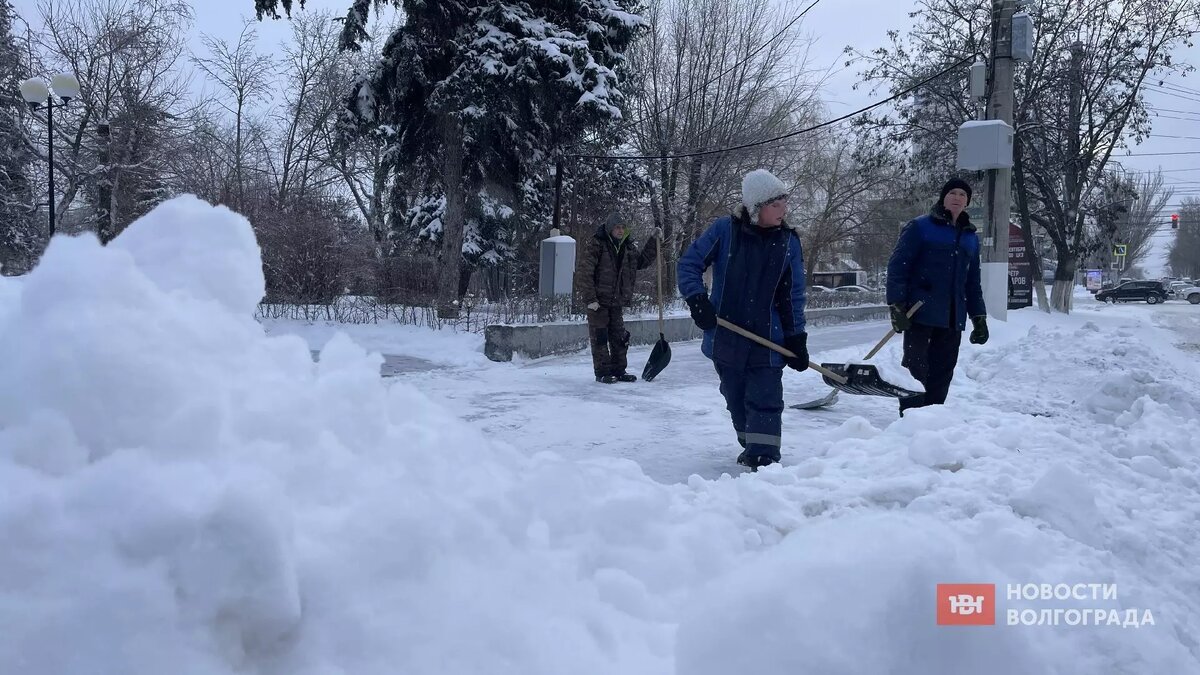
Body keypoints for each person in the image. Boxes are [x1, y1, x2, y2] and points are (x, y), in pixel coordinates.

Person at [677, 169, 808, 470]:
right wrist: (697, 299)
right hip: (726, 336)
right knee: (736, 399)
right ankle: (750, 444)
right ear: (756, 206)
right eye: (776, 204)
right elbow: (689, 263)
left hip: (768, 339)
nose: (784, 210)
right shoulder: (725, 231)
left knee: (765, 399)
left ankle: (764, 458)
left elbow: (793, 295)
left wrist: (796, 337)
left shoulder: (788, 242)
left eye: (785, 203)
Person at [886, 178, 989, 416]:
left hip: (953, 317)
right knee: (915, 370)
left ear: (967, 202)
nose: (957, 197)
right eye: (952, 192)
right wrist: (896, 306)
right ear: (943, 197)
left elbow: (972, 281)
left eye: (962, 194)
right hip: (919, 313)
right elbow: (898, 267)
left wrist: (979, 317)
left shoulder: (970, 238)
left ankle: (933, 421)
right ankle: (910, 420)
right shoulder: (920, 227)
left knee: (943, 373)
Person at [575, 212, 661, 383]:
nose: (620, 231)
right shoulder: (597, 244)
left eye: (623, 227)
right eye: (617, 227)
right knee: (600, 337)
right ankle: (603, 372)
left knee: (620, 337)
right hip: (598, 302)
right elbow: (585, 272)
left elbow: (642, 261)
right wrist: (590, 298)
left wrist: (653, 241)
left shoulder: (628, 248)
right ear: (610, 229)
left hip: (616, 301)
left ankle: (619, 370)